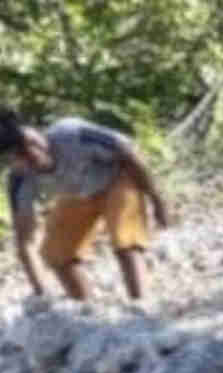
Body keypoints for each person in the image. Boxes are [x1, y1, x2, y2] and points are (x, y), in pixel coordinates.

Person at [1, 108, 169, 301]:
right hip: (79, 193)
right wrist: (41, 293)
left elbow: (128, 153)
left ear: (35, 134)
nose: (34, 151)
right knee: (56, 253)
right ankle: (87, 311)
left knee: (125, 242)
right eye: (22, 154)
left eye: (31, 142)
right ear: (14, 161)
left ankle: (141, 305)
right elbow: (25, 242)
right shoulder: (20, 179)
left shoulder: (72, 134)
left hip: (119, 177)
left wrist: (156, 200)